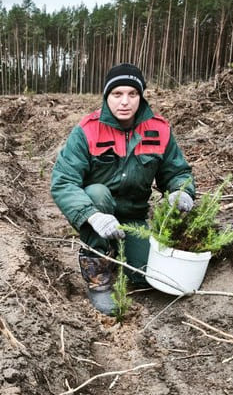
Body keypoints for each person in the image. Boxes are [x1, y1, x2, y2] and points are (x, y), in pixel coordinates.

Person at [50, 63, 196, 315]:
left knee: (149, 276)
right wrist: (92, 215)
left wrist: (181, 191)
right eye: (117, 94)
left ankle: (120, 252)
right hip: (97, 211)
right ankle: (98, 279)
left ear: (141, 96)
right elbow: (63, 181)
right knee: (97, 192)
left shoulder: (159, 130)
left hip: (133, 217)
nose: (125, 102)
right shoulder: (87, 130)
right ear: (107, 97)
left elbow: (177, 172)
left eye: (132, 94)